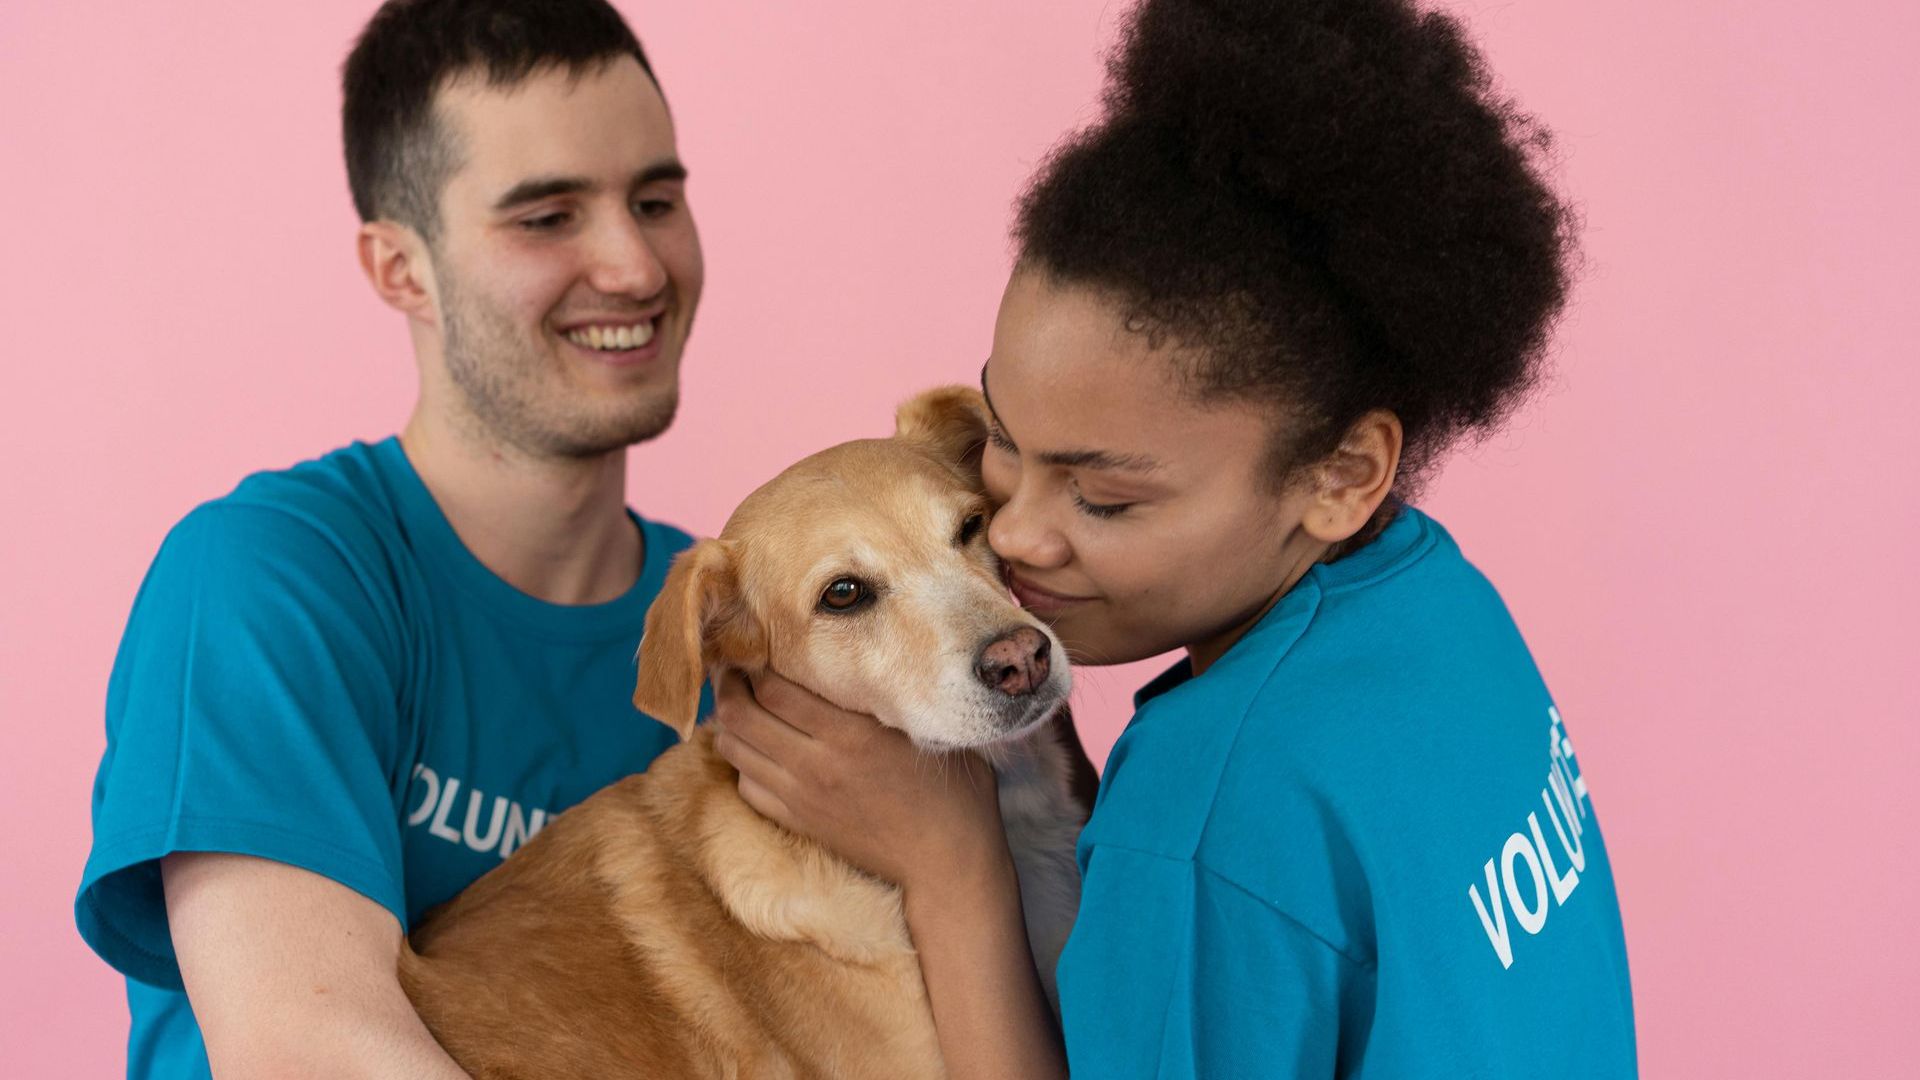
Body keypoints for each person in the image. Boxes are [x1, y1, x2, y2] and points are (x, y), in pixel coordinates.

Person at [712, 0, 1638, 1076]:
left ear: (1340, 475)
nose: (1016, 533)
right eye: (1000, 444)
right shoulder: (1441, 606)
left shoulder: (1204, 821)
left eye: (1103, 498)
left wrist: (951, 871)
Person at [74, 1, 706, 1076]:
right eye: (547, 217)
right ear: (399, 268)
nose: (637, 267)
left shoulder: (735, 621)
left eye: (655, 200)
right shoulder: (265, 581)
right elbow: (307, 1050)